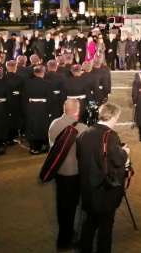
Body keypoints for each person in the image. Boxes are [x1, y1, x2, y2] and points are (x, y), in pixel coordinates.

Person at [76, 103, 130, 253]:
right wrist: (125, 151)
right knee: (106, 227)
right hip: (104, 188)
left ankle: (84, 249)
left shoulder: (85, 133)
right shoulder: (110, 136)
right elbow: (118, 160)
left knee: (90, 222)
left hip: (88, 186)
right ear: (112, 117)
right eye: (117, 117)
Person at [48, 99, 88, 251]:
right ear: (77, 110)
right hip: (73, 171)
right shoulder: (81, 127)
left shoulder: (54, 123)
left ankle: (67, 232)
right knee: (70, 207)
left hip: (58, 170)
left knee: (62, 203)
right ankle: (65, 239)